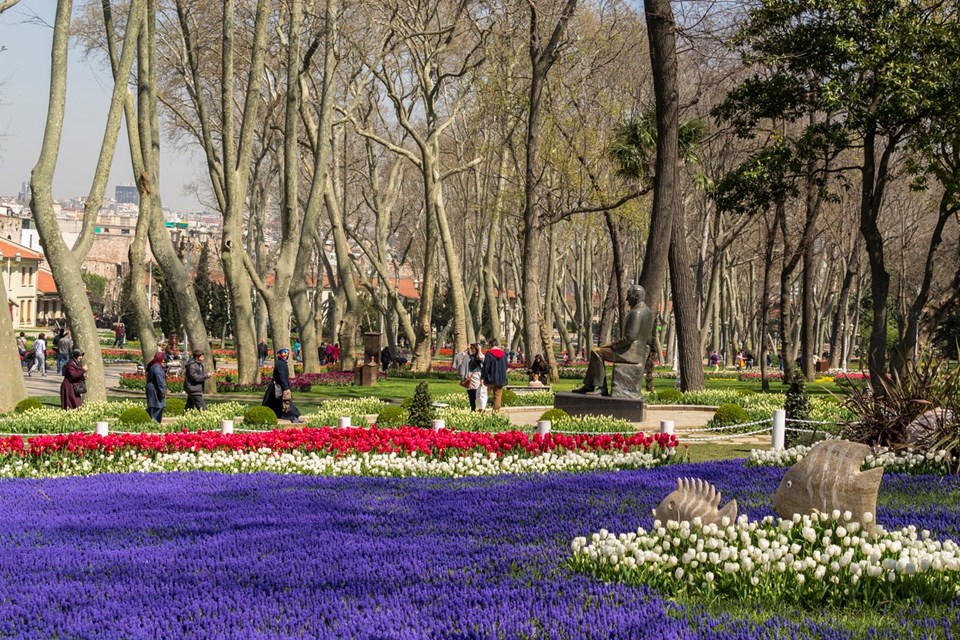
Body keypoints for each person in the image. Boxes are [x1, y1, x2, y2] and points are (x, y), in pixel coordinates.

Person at [572, 285, 654, 396]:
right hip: (639, 352)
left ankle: (601, 388)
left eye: (629, 296)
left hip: (630, 352)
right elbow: (648, 338)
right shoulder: (648, 312)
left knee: (596, 352)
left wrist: (612, 345)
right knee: (597, 351)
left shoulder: (636, 313)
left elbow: (630, 337)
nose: (627, 299)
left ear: (637, 296)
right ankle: (589, 385)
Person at [262, 348, 303, 423]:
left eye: (286, 354)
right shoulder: (280, 364)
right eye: (283, 354)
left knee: (276, 404)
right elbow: (282, 377)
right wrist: (286, 388)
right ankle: (293, 417)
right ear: (279, 355)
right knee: (286, 402)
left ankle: (293, 417)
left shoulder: (282, 363)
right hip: (278, 388)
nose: (285, 355)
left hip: (277, 387)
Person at [481, 338, 509, 411]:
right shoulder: (504, 355)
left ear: (491, 345)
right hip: (500, 379)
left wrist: (482, 377)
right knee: (498, 397)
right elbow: (506, 366)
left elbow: (486, 367)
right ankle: (495, 413)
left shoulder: (489, 354)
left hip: (490, 378)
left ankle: (482, 410)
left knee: (484, 395)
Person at [145, 351, 167, 423]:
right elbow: (160, 380)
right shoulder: (156, 367)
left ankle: (154, 423)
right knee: (156, 407)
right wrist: (163, 391)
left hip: (154, 389)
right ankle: (155, 424)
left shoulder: (156, 365)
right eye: (163, 359)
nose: (164, 360)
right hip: (155, 390)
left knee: (155, 407)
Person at [465, 344, 484, 411]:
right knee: (470, 393)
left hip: (476, 377)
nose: (472, 350)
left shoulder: (479, 356)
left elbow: (481, 358)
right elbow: (464, 357)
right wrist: (468, 349)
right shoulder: (471, 356)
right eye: (472, 348)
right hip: (470, 376)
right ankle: (472, 408)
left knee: (476, 393)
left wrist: (479, 350)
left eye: (474, 348)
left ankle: (480, 408)